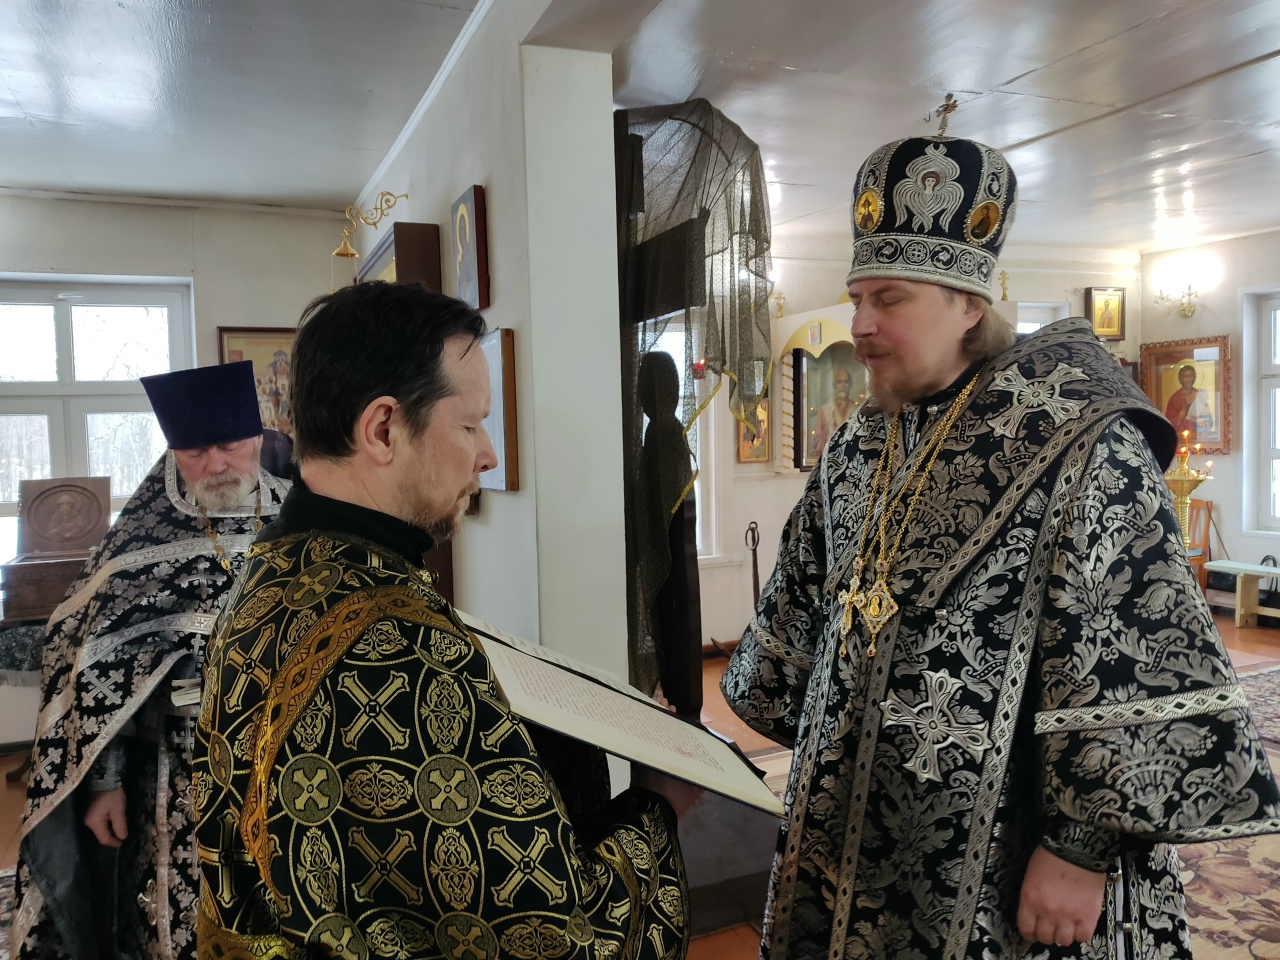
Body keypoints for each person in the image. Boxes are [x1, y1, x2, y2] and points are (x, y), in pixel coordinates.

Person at [721, 133, 1280, 960]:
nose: (861, 325)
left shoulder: (1083, 441)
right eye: (857, 297)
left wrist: (1081, 850)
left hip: (1007, 860)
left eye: (890, 298)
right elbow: (803, 618)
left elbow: (1135, 655)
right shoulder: (858, 445)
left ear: (970, 304)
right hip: (848, 837)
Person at [194, 282, 693, 959]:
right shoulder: (394, 649)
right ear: (382, 430)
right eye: (470, 425)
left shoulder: (274, 570)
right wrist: (658, 805)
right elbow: (558, 939)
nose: (489, 455)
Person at [13, 360, 290, 960]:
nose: (215, 465)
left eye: (229, 446)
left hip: (286, 760)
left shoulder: (302, 520)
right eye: (195, 452)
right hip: (171, 770)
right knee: (172, 923)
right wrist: (104, 783)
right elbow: (95, 669)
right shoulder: (141, 535)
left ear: (257, 437)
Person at [809, 366, 858, 458]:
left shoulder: (857, 410)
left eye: (846, 382)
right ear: (834, 385)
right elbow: (816, 439)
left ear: (850, 384)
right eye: (839, 382)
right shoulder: (824, 410)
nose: (842, 386)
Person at [1164, 362, 1213, 439]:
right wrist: (1180, 417)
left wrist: (1198, 420)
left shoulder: (1199, 396)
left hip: (1199, 436)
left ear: (1194, 378)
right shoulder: (1175, 398)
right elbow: (1168, 423)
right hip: (1181, 437)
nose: (1188, 379)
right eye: (1185, 376)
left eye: (1190, 376)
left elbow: (1209, 420)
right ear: (1181, 379)